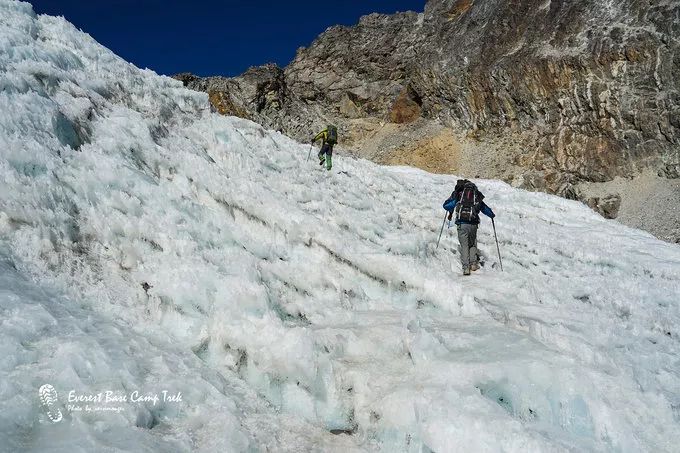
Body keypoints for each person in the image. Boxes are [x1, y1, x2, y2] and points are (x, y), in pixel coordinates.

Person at [443, 179, 495, 276]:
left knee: (464, 246)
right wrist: (492, 215)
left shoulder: (459, 195)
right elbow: (484, 208)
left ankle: (466, 268)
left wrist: (451, 201)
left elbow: (446, 206)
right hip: (473, 224)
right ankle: (473, 264)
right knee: (472, 244)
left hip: (462, 224)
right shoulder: (475, 196)